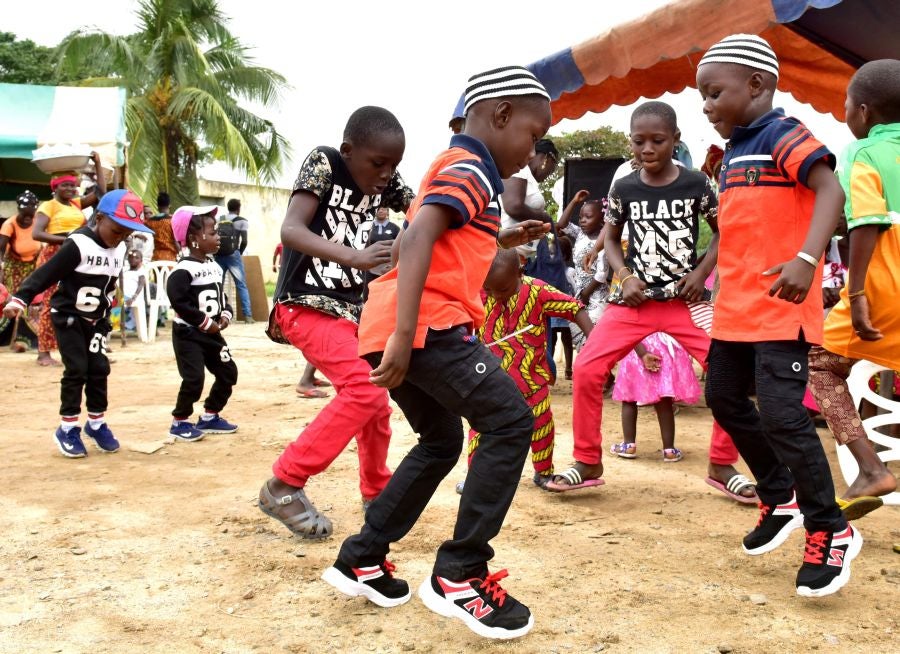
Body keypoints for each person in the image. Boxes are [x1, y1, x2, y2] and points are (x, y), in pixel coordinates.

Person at [321, 65, 552, 640]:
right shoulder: (471, 167)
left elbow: (422, 238)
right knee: (508, 421)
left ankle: (363, 556)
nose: (532, 150)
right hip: (425, 326)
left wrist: (500, 238)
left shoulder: (451, 171)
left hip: (395, 324)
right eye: (532, 132)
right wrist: (406, 334)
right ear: (500, 116)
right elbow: (419, 239)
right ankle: (461, 574)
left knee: (443, 439)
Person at [697, 34, 859, 598]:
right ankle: (779, 491)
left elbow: (831, 191)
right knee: (722, 395)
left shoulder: (781, 135)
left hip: (781, 306)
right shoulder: (735, 152)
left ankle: (830, 527)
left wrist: (807, 259)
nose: (707, 105)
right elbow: (740, 228)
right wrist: (706, 269)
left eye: (715, 93)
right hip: (736, 307)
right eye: (703, 97)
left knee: (786, 416)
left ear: (759, 85)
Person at [547, 101, 752, 505]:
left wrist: (699, 273)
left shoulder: (696, 184)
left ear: (674, 140)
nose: (647, 149)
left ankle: (722, 465)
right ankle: (587, 462)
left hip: (684, 301)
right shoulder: (624, 187)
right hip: (633, 303)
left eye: (657, 140)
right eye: (638, 141)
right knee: (587, 369)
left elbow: (723, 232)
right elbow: (609, 238)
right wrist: (623, 276)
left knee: (729, 369)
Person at [257, 105, 414, 539]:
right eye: (378, 163)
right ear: (349, 151)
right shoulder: (325, 161)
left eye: (394, 165)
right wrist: (355, 257)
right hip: (304, 302)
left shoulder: (388, 182)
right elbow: (291, 229)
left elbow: (428, 211)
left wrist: (494, 236)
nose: (386, 174)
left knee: (375, 395)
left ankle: (377, 492)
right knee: (364, 388)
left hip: (349, 308)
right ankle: (284, 483)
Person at [807, 59, 900, 519]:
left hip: (886, 281)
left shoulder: (864, 153)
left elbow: (866, 222)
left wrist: (858, 292)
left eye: (845, 103)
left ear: (862, 111)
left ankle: (871, 468)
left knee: (822, 367)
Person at [2, 189, 151, 457]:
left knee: (99, 368)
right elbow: (46, 274)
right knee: (77, 369)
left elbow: (108, 286)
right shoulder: (79, 243)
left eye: (127, 234)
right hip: (69, 316)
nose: (121, 238)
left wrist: (106, 319)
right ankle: (68, 427)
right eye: (117, 231)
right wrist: (20, 299)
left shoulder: (118, 248)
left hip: (97, 320)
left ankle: (96, 423)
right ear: (100, 218)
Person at [459, 249, 594, 492]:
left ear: (520, 272)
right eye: (489, 289)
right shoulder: (478, 293)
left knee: (542, 423)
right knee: (481, 428)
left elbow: (575, 309)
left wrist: (595, 342)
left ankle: (543, 473)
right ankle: (475, 477)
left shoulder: (538, 291)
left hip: (531, 379)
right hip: (488, 379)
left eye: (503, 289)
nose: (495, 296)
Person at [165, 205, 239, 441]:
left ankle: (209, 416)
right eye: (213, 232)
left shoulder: (213, 266)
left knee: (228, 372)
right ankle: (180, 420)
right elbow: (179, 301)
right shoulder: (184, 269)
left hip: (212, 334)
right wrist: (203, 322)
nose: (218, 237)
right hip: (189, 334)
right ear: (194, 239)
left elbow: (221, 297)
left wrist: (226, 313)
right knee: (194, 378)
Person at [32, 153, 107, 366]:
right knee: (50, 301)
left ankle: (84, 348)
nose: (70, 189)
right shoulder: (48, 206)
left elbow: (101, 193)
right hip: (56, 253)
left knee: (76, 299)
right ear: (54, 188)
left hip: (76, 253)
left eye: (73, 186)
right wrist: (63, 239)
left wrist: (98, 164)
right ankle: (43, 352)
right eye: (65, 185)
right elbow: (36, 233)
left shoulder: (75, 204)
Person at [611, 333, 701, 462]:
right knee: (664, 399)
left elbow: (630, 323)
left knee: (629, 397)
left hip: (638, 345)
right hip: (665, 345)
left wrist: (641, 352)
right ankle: (669, 450)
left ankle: (628, 445)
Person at [499, 138, 557, 258]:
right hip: (511, 252)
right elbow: (513, 206)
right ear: (546, 158)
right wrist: (544, 217)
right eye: (552, 169)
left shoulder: (529, 178)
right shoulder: (520, 171)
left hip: (521, 254)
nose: (549, 174)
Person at [0, 190, 42, 350]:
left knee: (31, 301)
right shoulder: (9, 224)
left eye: (31, 215)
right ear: (19, 210)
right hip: (14, 267)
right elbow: (1, 249)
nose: (28, 219)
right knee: (13, 301)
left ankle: (22, 340)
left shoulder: (38, 221)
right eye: (25, 215)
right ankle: (9, 339)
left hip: (33, 266)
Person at [214, 198, 253, 323]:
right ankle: (247, 316)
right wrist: (238, 252)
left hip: (219, 255)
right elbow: (245, 241)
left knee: (217, 285)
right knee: (241, 285)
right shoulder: (242, 221)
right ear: (238, 208)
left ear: (228, 207)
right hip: (233, 255)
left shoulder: (219, 220)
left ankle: (217, 313)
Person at [146, 191, 179, 262]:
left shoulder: (150, 222)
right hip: (170, 259)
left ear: (157, 205)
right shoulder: (173, 221)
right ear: (169, 205)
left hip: (156, 258)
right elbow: (176, 242)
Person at [121, 249, 147, 333]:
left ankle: (129, 326)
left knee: (118, 302)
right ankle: (116, 325)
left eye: (136, 258)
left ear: (141, 260)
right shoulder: (125, 271)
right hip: (123, 295)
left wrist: (133, 297)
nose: (133, 259)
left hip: (133, 297)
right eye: (131, 257)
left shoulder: (140, 272)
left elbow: (141, 285)